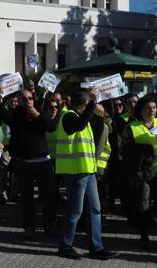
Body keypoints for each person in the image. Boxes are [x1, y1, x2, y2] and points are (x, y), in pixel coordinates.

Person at [56, 88, 118, 260]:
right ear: (85, 103)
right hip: (74, 171)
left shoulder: (83, 117)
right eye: (90, 102)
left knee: (95, 209)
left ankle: (96, 248)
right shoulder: (69, 116)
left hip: (87, 170)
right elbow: (79, 125)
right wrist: (92, 104)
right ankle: (65, 246)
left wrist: (99, 115)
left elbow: (97, 131)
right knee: (75, 210)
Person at [0, 88, 56, 238]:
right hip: (24, 163)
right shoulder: (16, 115)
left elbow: (51, 126)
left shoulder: (40, 111)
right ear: (19, 102)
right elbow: (3, 114)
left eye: (30, 98)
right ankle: (29, 227)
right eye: (24, 99)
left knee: (48, 197)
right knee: (27, 199)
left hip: (43, 162)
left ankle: (49, 226)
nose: (28, 101)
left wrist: (35, 113)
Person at [120, 95, 156, 249]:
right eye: (147, 108)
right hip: (143, 173)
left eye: (154, 107)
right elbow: (123, 151)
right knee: (143, 205)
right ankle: (144, 237)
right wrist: (141, 151)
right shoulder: (132, 127)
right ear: (140, 110)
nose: (151, 111)